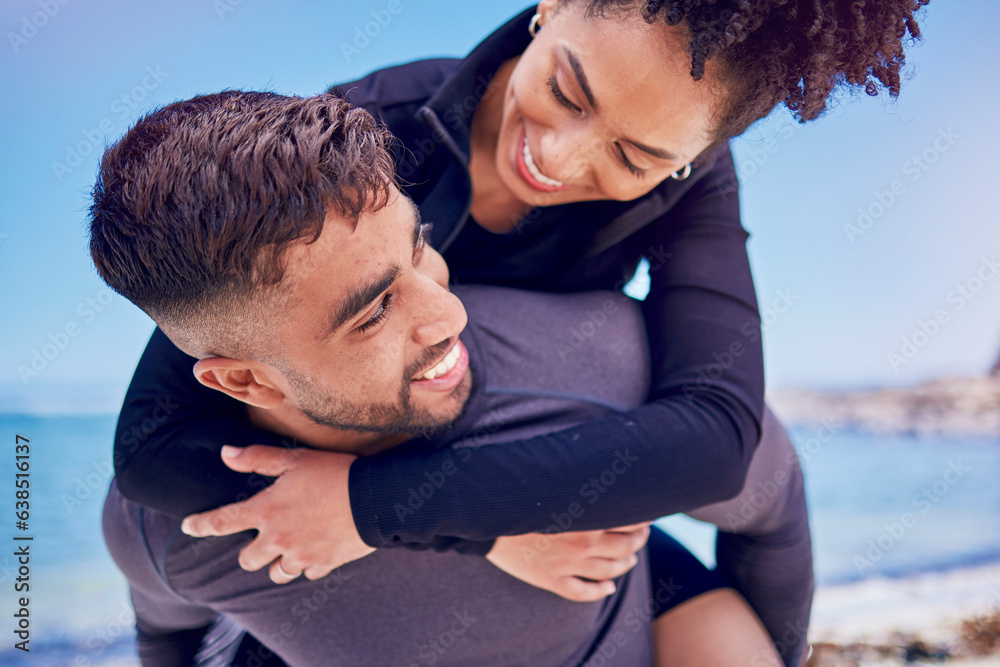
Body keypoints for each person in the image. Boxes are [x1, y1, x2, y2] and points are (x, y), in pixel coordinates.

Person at [110, 2, 926, 664]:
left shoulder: (693, 183)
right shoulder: (354, 152)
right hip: (402, 457)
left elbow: (718, 437)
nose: (560, 162)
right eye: (569, 92)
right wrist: (474, 533)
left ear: (695, 153)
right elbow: (151, 447)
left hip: (532, 471)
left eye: (636, 155)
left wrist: (379, 510)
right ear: (552, 8)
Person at [94, 90, 781, 666]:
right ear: (244, 381)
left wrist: (426, 513)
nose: (449, 313)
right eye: (374, 312)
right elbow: (166, 628)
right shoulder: (180, 523)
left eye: (421, 244)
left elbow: (769, 500)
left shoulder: (599, 372)